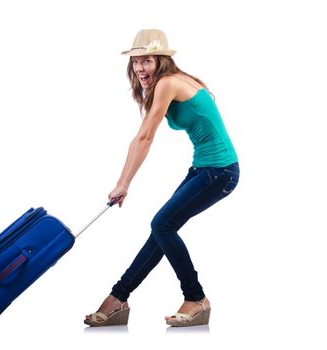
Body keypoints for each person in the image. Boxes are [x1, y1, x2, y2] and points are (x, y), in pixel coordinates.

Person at [84, 29, 239, 327]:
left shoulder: (168, 83)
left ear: (162, 61)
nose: (141, 68)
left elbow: (145, 138)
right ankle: (118, 298)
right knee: (161, 230)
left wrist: (123, 184)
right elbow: (139, 138)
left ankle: (196, 299)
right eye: (136, 61)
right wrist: (123, 181)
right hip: (204, 169)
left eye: (148, 61)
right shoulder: (168, 82)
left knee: (162, 225)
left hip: (220, 172)